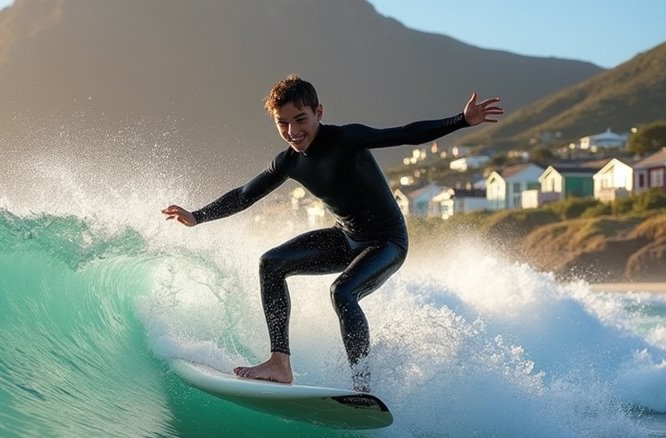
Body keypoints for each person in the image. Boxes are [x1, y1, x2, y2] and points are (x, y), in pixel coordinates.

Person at [162, 75, 502, 388]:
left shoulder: (346, 138)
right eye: (283, 123)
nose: (293, 131)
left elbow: (403, 134)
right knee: (271, 263)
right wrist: (198, 216)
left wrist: (460, 120)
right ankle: (280, 363)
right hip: (346, 237)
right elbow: (245, 194)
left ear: (318, 113)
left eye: (300, 120)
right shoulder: (289, 162)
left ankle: (363, 385)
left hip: (388, 242)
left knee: (342, 292)